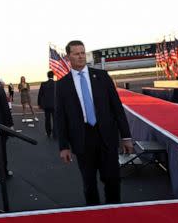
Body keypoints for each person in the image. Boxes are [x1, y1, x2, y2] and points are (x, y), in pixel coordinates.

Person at [56, 40, 133, 205]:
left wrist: (126, 136)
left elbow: (117, 108)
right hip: (82, 139)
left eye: (83, 53)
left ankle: (114, 212)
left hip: (106, 136)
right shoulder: (62, 85)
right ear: (68, 57)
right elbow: (60, 117)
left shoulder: (102, 77)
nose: (81, 56)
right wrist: (63, 146)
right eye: (76, 54)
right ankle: (94, 214)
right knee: (89, 184)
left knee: (112, 180)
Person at [37, 71, 56, 138]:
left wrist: (39, 104)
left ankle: (48, 133)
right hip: (55, 105)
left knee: (47, 119)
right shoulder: (56, 83)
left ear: (47, 76)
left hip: (46, 105)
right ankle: (55, 134)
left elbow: (40, 95)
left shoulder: (43, 84)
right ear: (53, 76)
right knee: (55, 119)